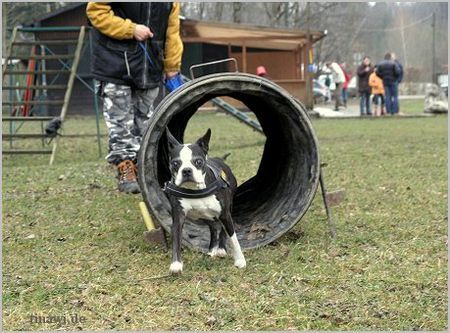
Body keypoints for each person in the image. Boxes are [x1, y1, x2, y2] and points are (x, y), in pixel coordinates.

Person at [86, 3, 183, 193]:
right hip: (113, 63)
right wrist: (131, 29)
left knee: (146, 123)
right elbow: (96, 12)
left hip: (150, 66)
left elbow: (172, 33)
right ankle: (126, 170)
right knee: (120, 123)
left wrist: (172, 66)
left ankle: (145, 170)